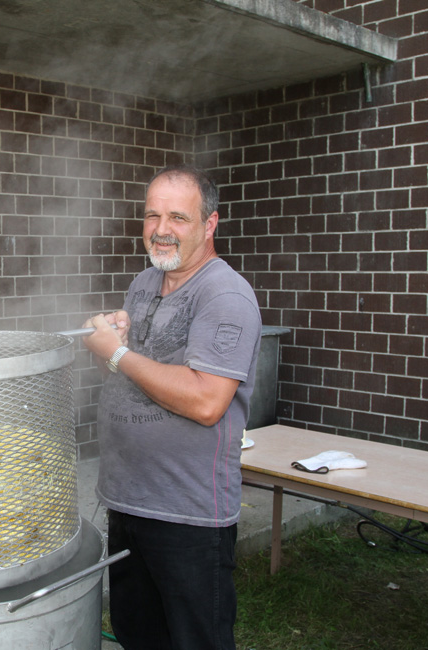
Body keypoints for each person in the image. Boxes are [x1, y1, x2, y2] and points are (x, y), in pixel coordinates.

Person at [83, 165, 262, 650]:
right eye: (152, 216)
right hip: (128, 501)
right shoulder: (143, 284)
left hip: (188, 514)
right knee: (137, 634)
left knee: (193, 642)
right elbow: (132, 376)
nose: (161, 230)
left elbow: (206, 401)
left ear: (210, 225)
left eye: (179, 217)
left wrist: (117, 353)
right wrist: (116, 347)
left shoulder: (225, 296)